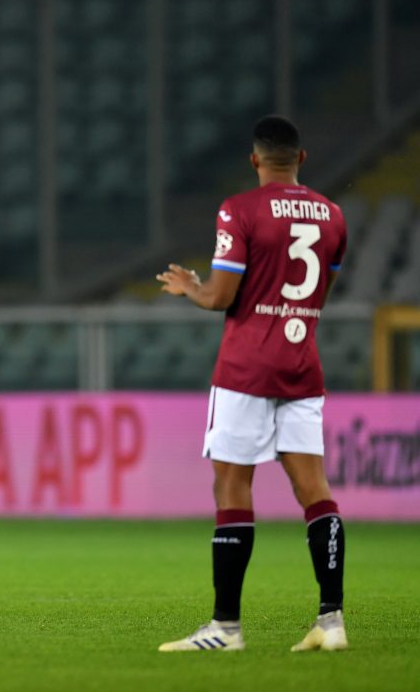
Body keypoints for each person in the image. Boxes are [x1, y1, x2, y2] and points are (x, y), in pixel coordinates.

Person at [156, 116, 348, 653]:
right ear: (302, 159)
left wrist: (191, 287)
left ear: (254, 159)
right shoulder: (333, 214)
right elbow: (318, 296)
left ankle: (226, 628)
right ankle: (331, 621)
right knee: (315, 490)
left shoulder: (238, 210)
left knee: (232, 488)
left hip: (246, 368)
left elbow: (221, 297)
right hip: (301, 364)